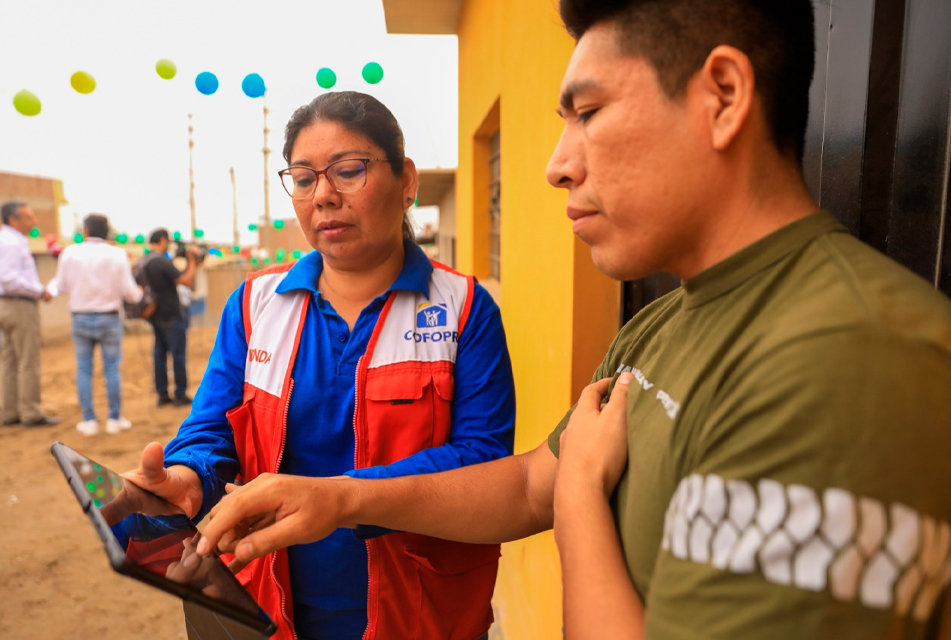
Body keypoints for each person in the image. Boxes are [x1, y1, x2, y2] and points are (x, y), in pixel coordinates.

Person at [194, 2, 951, 639]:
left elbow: (542, 481)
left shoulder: (847, 358)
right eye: (302, 177)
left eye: (586, 113)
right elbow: (528, 485)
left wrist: (580, 497)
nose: (557, 164)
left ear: (721, 94)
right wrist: (333, 497)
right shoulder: (661, 325)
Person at [124, 91, 516, 640]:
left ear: (406, 180)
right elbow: (212, 426)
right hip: (273, 607)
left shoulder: (464, 309)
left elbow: (484, 463)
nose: (324, 197)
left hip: (422, 611)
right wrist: (190, 476)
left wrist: (337, 498)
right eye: (304, 179)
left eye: (349, 170)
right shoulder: (255, 304)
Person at [47, 213, 143, 436]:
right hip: (108, 317)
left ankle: (89, 420)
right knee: (111, 368)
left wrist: (48, 292)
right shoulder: (117, 254)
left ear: (85, 231)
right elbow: (130, 292)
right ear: (108, 232)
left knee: (84, 368)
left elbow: (60, 285)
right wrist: (138, 295)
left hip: (80, 317)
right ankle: (114, 419)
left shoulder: (70, 252)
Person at [0, 201, 60, 428]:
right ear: (13, 219)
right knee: (27, 360)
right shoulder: (13, 243)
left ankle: (10, 412)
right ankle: (30, 412)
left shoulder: (6, 240)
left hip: (6, 304)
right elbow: (8, 278)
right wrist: (39, 291)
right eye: (28, 218)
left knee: (10, 360)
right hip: (19, 305)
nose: (33, 222)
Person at [143, 228, 199, 407]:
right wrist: (193, 261)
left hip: (154, 315)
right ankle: (180, 394)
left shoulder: (144, 261)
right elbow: (186, 281)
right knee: (178, 354)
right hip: (171, 315)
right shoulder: (160, 261)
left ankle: (162, 394)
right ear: (162, 240)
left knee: (159, 354)